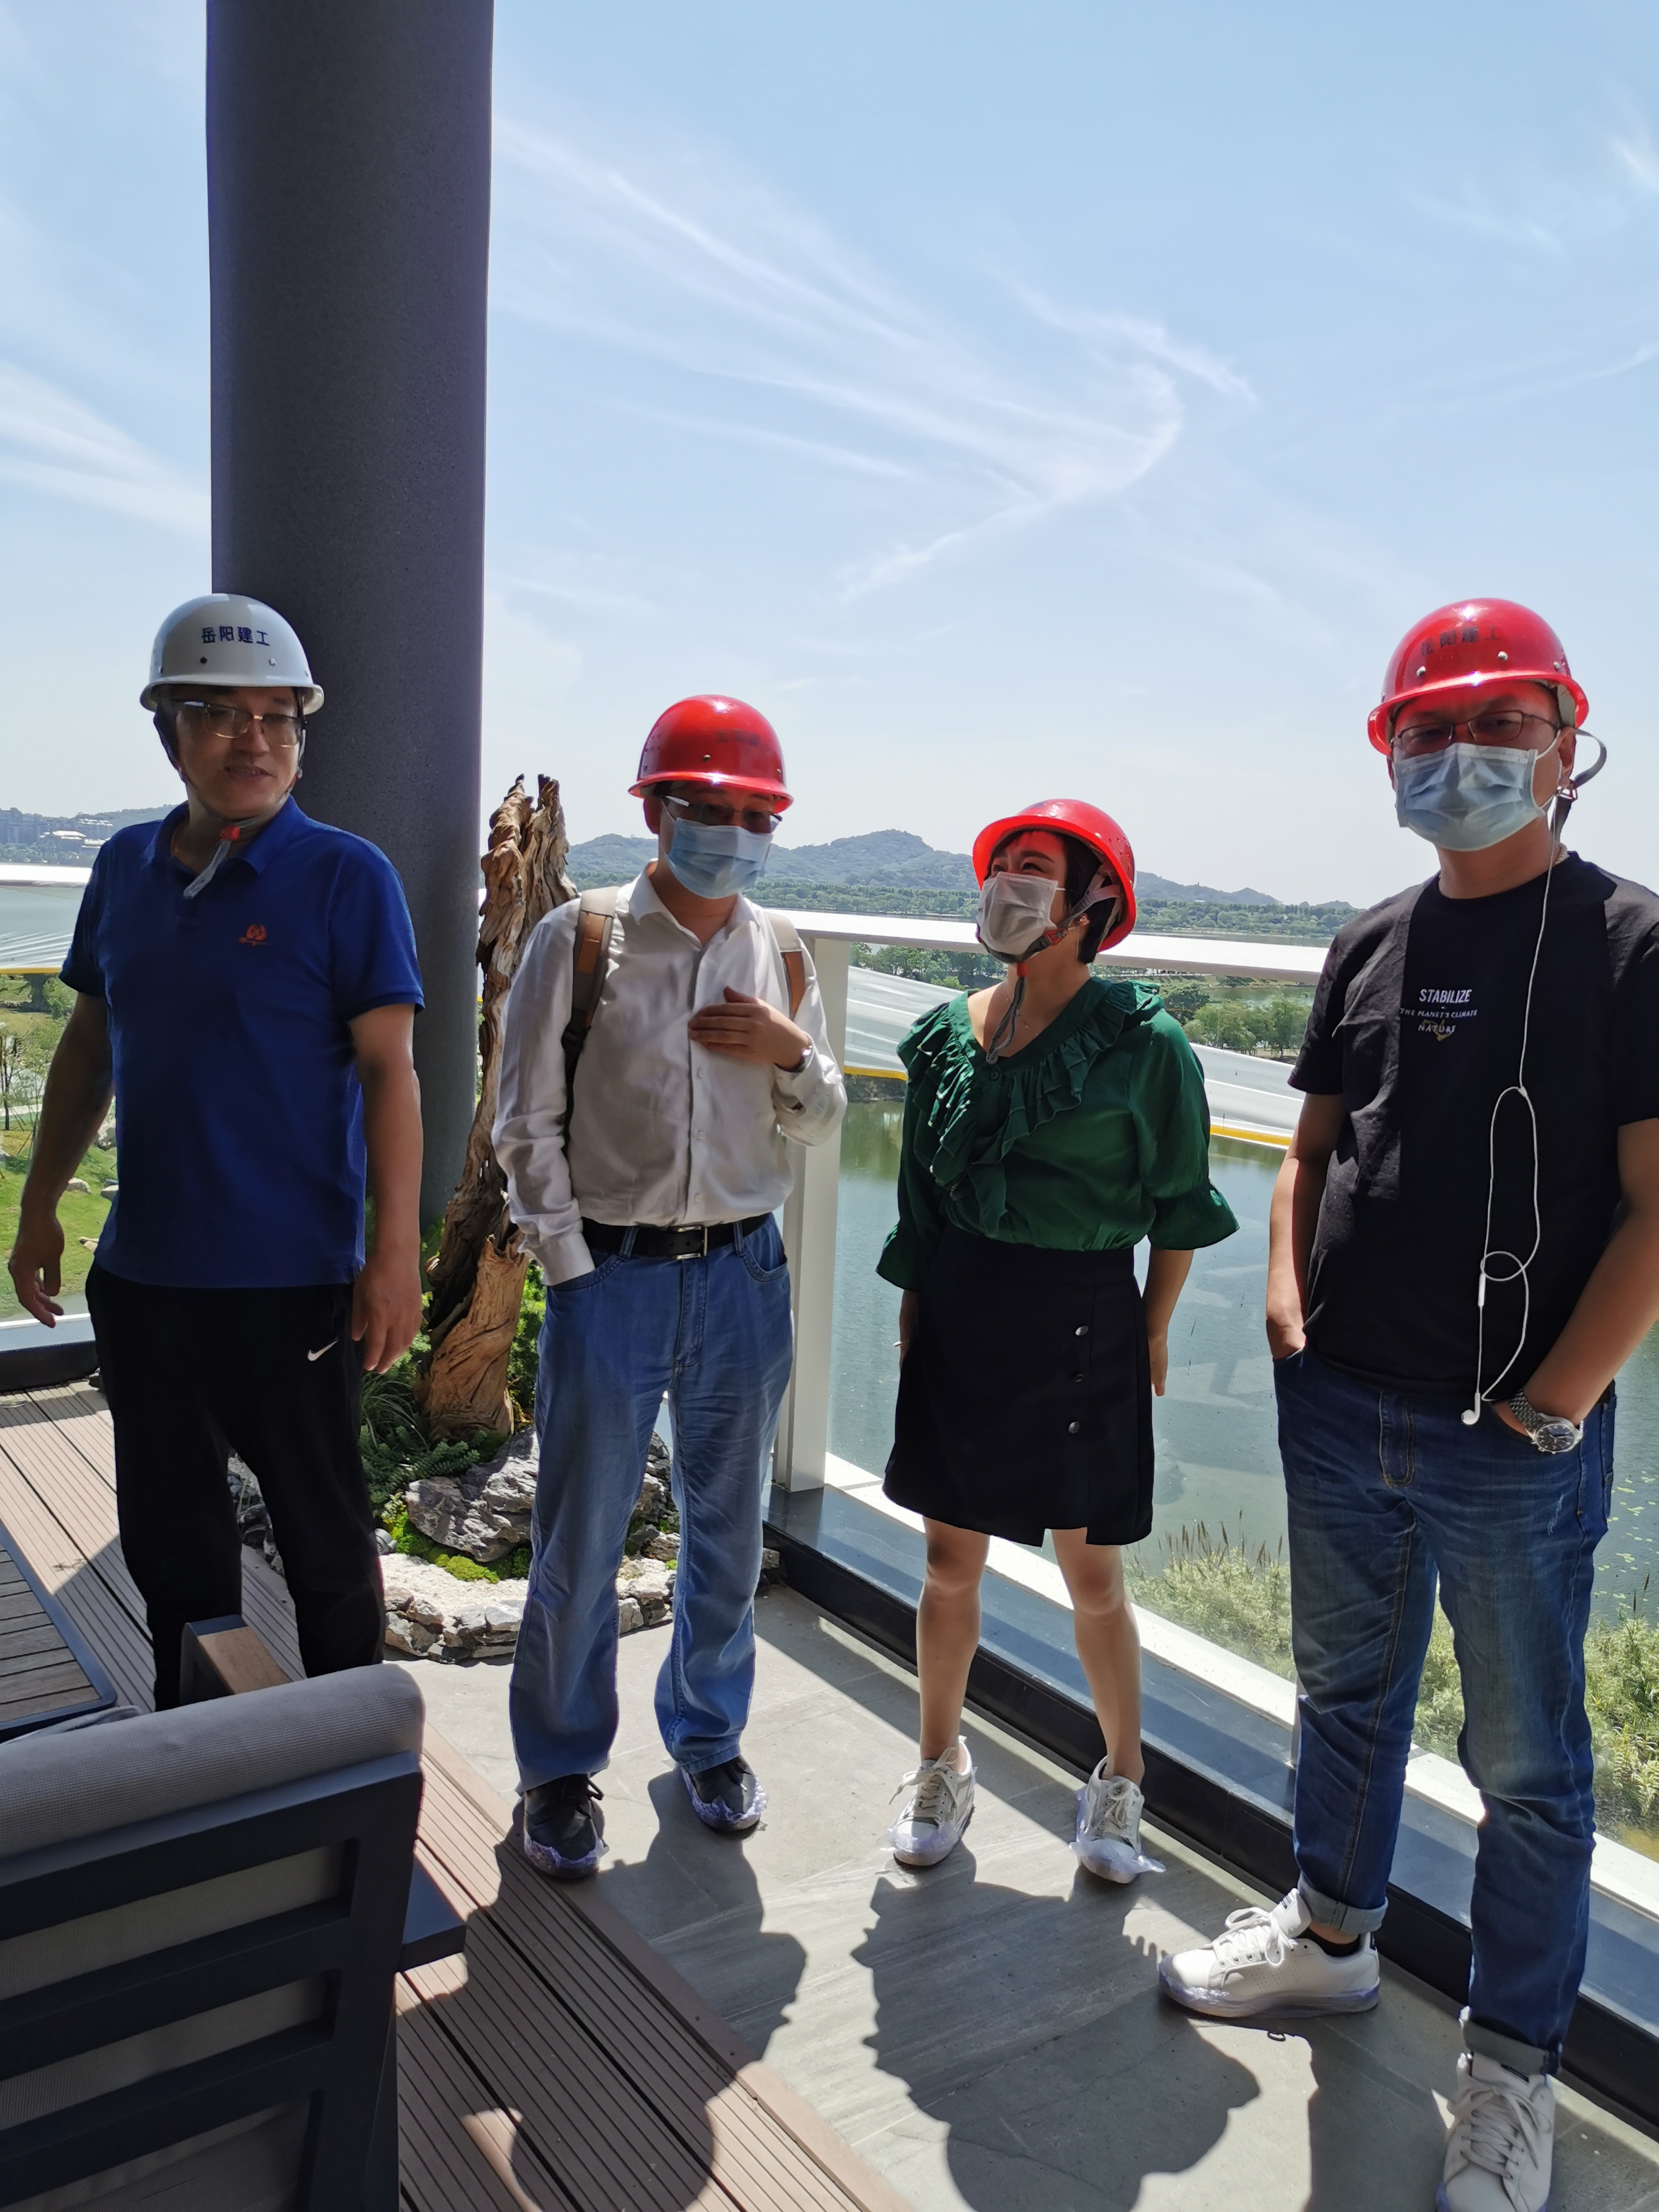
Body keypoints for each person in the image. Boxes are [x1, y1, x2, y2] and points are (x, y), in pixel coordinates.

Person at [1159, 600, 1659, 2212]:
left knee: (1527, 1764)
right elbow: (1308, 1151)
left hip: (1511, 1438)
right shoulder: (1370, 941)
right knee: (1346, 1699)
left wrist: (1553, 1405)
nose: (1463, 753)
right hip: (1341, 1403)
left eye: (1500, 723)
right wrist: (1286, 1307)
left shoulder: (1628, 944)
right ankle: (1330, 1938)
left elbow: (1656, 1207)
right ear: (1388, 754)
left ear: (1566, 744)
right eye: (1430, 730)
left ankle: (1511, 2068)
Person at [7, 594, 425, 1708]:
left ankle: (345, 1760)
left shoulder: (347, 876)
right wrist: (41, 1204)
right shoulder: (123, 867)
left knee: (325, 1544)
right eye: (221, 714)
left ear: (301, 736)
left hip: (293, 1286)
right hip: (146, 1279)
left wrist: (394, 1256)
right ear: (169, 733)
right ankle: (196, 1752)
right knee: (172, 1547)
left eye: (278, 717)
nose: (255, 739)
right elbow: (90, 1044)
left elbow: (391, 1073)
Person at [493, 694, 846, 1879]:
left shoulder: (780, 950)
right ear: (656, 811)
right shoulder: (582, 938)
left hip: (745, 1273)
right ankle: (558, 1767)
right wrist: (570, 1270)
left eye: (757, 816)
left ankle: (708, 1736)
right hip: (615, 1277)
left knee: (729, 1531)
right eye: (709, 808)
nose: (733, 834)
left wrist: (792, 1054)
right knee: (581, 1538)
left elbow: (821, 1124)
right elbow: (523, 1122)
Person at [876, 799, 1237, 1877]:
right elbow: (920, 1196)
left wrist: (1153, 1329)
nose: (1009, 889)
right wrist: (914, 1305)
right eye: (1003, 870)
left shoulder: (1145, 1044)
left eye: (1035, 870)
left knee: (1093, 1575)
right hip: (962, 1305)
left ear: (1091, 906)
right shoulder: (947, 1033)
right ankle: (939, 1762)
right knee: (949, 1559)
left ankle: (1122, 1780)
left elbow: (1181, 1206)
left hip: (1086, 1315)